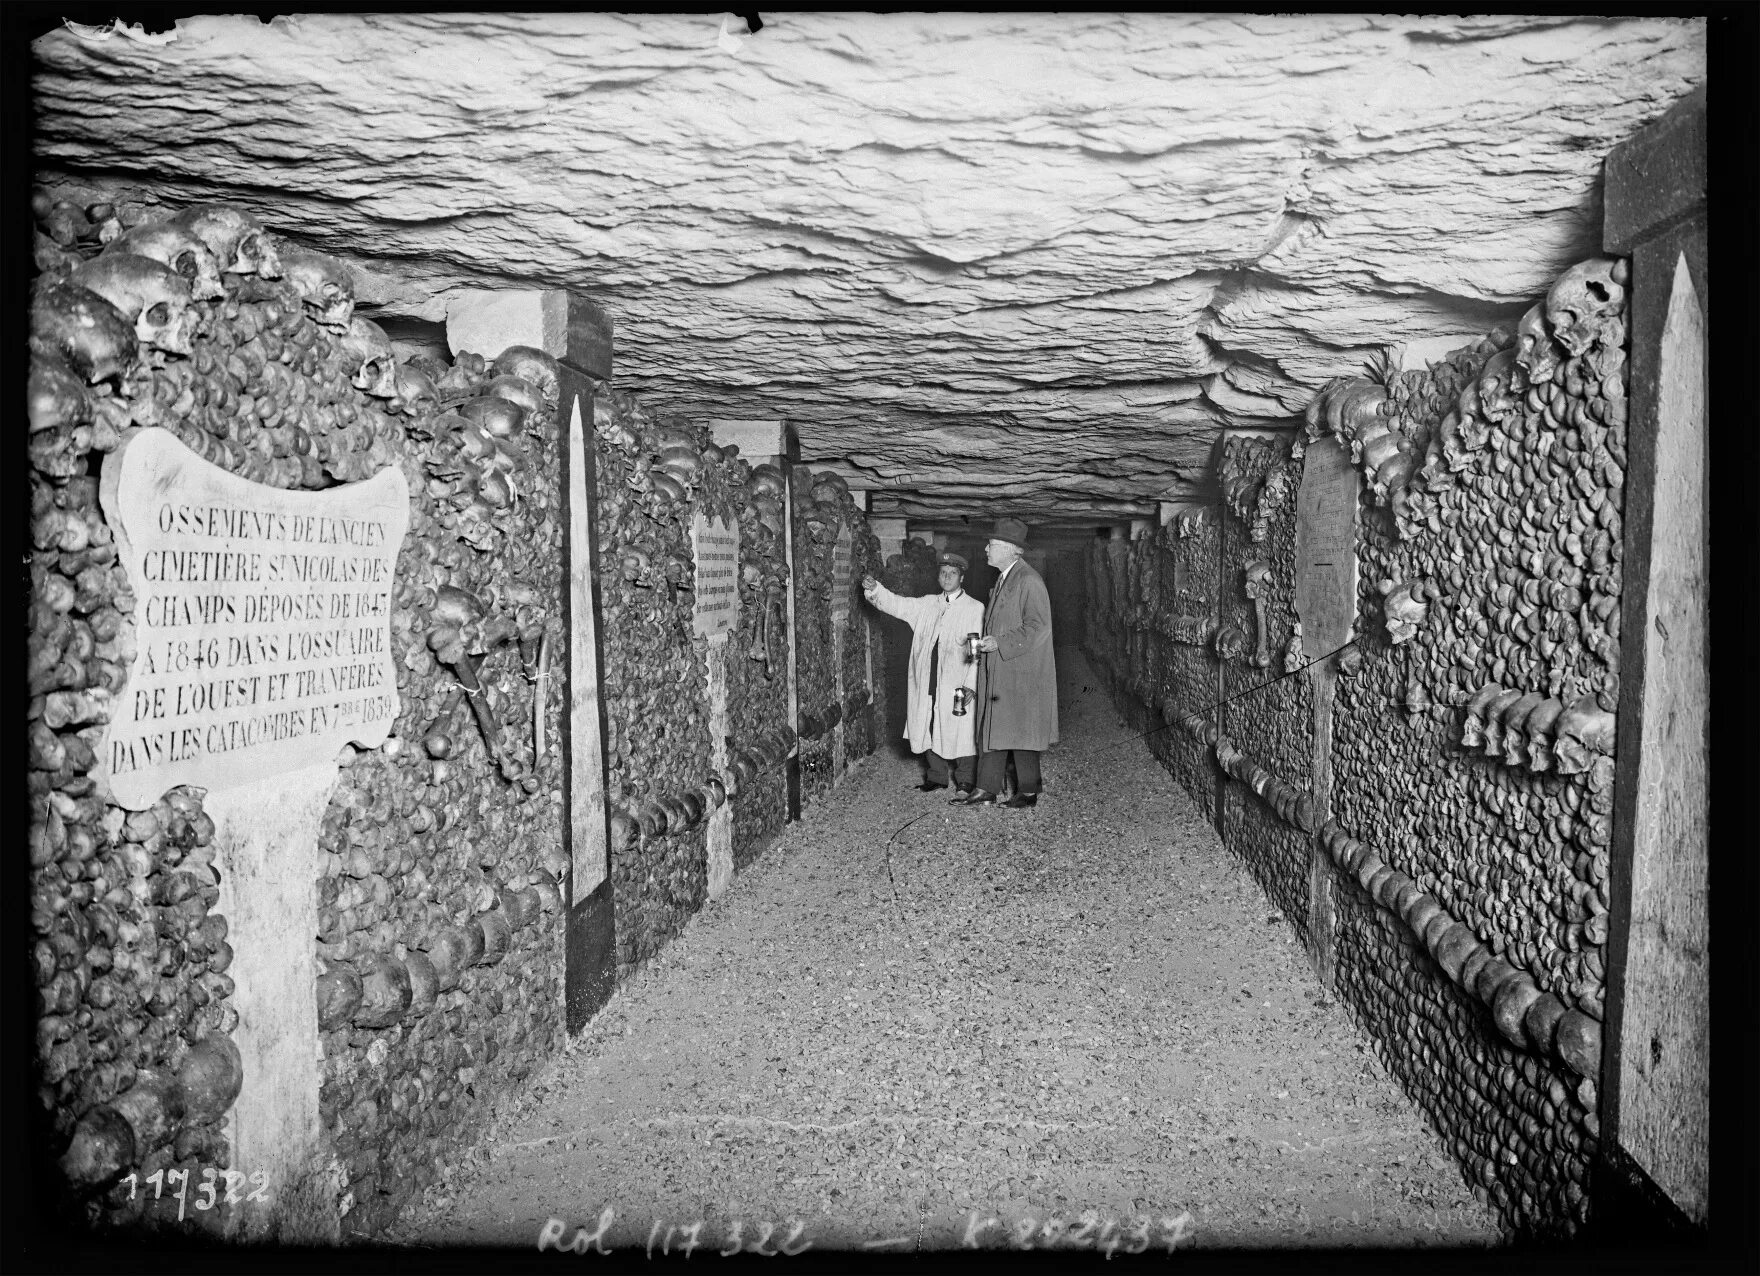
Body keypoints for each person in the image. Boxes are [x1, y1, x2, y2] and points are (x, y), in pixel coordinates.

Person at [954, 518, 1057, 809]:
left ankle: (1027, 792)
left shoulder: (1028, 580)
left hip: (1020, 669)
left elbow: (1039, 627)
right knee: (994, 725)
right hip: (1002, 666)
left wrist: (1000, 642)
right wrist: (989, 640)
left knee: (1021, 730)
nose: (986, 548)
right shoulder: (1004, 578)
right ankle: (986, 787)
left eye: (993, 545)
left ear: (1014, 550)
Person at [861, 552, 986, 793]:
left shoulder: (974, 608)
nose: (947, 577)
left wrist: (971, 683)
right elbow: (897, 604)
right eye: (943, 573)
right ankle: (937, 775)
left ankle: (966, 778)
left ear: (962, 577)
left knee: (961, 728)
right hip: (927, 676)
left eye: (952, 573)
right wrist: (875, 589)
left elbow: (976, 650)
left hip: (956, 679)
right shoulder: (928, 603)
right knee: (928, 722)